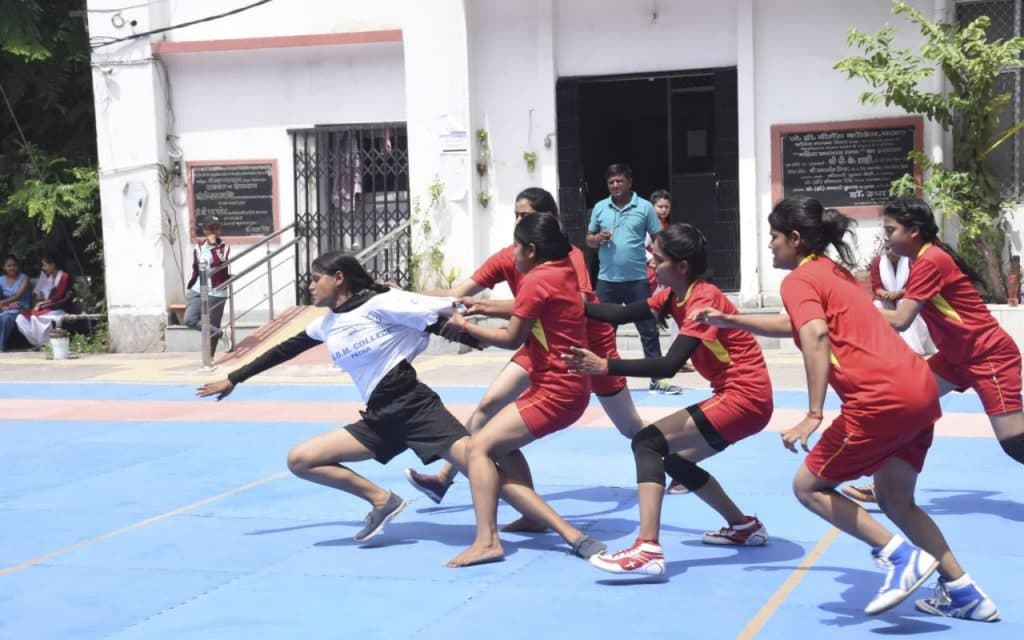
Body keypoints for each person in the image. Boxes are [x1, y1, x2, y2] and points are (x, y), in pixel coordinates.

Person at [690, 197, 999, 621]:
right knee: (897, 500)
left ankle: (898, 556)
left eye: (774, 239)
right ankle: (965, 593)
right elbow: (799, 323)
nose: (771, 247)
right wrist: (734, 321)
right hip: (919, 391)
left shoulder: (798, 280)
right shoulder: (832, 273)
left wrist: (814, 412)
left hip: (879, 400)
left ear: (795, 240)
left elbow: (814, 334)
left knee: (808, 487)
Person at [196, 251, 604, 561]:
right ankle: (381, 500)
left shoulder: (379, 304)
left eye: (316, 279)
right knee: (301, 459)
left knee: (482, 469)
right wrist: (234, 378)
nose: (310, 287)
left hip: (414, 407)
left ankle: (571, 535)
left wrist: (479, 335)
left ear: (339, 279)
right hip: (379, 416)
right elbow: (284, 348)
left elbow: (435, 314)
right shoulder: (326, 323)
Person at [404, 187, 647, 529]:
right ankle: (446, 477)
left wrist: (482, 316)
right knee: (488, 409)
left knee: (630, 427)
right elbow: (459, 294)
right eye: (516, 216)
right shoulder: (512, 256)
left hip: (588, 349)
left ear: (546, 223)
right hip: (540, 344)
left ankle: (675, 460)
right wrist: (401, 297)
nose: (519, 222)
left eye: (526, 216)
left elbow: (556, 308)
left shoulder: (565, 260)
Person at [562, 223, 773, 576]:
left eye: (657, 259)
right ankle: (743, 526)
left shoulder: (702, 299)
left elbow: (670, 365)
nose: (651, 263)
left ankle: (647, 548)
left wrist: (605, 365)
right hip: (742, 397)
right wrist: (564, 303)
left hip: (745, 397)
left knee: (647, 442)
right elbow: (619, 313)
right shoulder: (673, 293)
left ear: (682, 266)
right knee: (670, 458)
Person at [442, 212, 604, 567]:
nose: (510, 252)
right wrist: (481, 305)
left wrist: (465, 327)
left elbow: (512, 337)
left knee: (478, 448)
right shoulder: (563, 269)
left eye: (515, 245)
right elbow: (526, 309)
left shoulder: (534, 280)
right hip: (565, 385)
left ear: (531, 250)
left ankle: (488, 540)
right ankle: (533, 518)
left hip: (556, 390)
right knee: (501, 444)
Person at [846, 199, 1024, 511]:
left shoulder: (929, 260)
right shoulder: (923, 259)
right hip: (956, 358)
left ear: (914, 231)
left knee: (1014, 443)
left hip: (988, 356)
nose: (885, 237)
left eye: (890, 230)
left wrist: (845, 308)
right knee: (904, 404)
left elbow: (901, 320)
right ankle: (884, 485)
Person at [586, 164, 682, 395]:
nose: (615, 186)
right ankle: (598, 379)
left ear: (629, 182)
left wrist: (660, 263)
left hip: (638, 280)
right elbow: (589, 240)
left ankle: (658, 380)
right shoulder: (600, 207)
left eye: (619, 181)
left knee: (648, 329)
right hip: (607, 281)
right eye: (611, 182)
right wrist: (597, 238)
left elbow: (659, 237)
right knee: (602, 332)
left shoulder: (645, 207)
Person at [185, 217, 231, 354]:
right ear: (205, 230)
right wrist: (192, 282)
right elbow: (196, 267)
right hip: (198, 289)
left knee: (212, 324)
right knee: (189, 319)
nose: (214, 231)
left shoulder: (224, 246)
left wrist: (214, 246)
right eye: (211, 228)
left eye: (216, 228)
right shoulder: (198, 247)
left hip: (216, 291)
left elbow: (220, 262)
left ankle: (209, 359)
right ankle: (221, 333)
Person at [15, 255, 72, 349]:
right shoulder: (46, 277)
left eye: (45, 265)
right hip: (46, 308)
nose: (43, 268)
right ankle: (37, 343)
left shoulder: (64, 276)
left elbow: (59, 296)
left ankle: (46, 343)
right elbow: (39, 295)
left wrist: (41, 303)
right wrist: (40, 298)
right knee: (21, 318)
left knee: (35, 317)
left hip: (57, 308)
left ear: (53, 265)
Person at [0, 255, 32, 350]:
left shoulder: (24, 278)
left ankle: (1, 345)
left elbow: (18, 295)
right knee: (4, 315)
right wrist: (2, 305)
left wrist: (2, 302)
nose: (11, 268)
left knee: (6, 317)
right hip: (5, 308)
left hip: (20, 308)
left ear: (17, 266)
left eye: (14, 265)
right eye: (9, 266)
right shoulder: (1, 280)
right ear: (4, 267)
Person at [645, 189, 672, 293]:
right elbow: (639, 246)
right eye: (660, 207)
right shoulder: (649, 225)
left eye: (667, 207)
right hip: (651, 271)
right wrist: (650, 259)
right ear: (652, 207)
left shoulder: (666, 224)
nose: (664, 210)